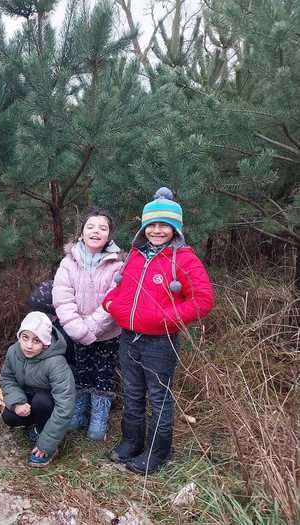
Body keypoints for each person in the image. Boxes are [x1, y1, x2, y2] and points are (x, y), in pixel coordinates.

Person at [104, 187, 214, 474]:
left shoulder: (185, 259)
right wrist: (111, 304)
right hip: (129, 339)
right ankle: (132, 442)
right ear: (144, 227)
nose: (156, 230)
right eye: (151, 225)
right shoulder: (136, 255)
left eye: (164, 225)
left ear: (175, 228)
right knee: (132, 392)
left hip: (160, 343)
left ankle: (157, 451)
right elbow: (121, 288)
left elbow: (203, 300)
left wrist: (166, 318)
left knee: (159, 398)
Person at [52, 208, 123, 441]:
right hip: (76, 331)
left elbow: (115, 298)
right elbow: (63, 299)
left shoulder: (117, 265)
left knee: (104, 373)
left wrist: (90, 327)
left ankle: (99, 417)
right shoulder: (68, 263)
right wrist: (79, 330)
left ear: (109, 235)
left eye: (103, 228)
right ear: (82, 232)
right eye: (91, 226)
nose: (96, 231)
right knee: (80, 371)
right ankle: (79, 410)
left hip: (108, 332)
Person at [0, 311, 76, 468]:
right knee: (9, 416)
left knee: (42, 401)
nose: (28, 345)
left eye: (36, 340)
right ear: (19, 336)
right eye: (25, 337)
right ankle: (35, 427)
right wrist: (17, 402)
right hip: (28, 398)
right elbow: (7, 378)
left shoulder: (56, 363)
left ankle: (46, 439)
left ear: (46, 343)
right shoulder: (13, 352)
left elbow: (65, 405)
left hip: (48, 404)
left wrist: (47, 443)